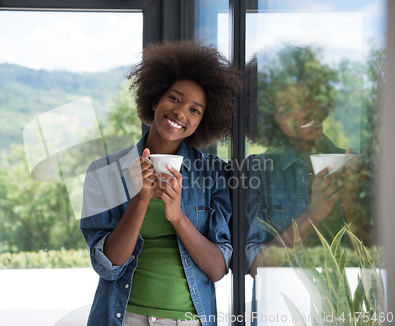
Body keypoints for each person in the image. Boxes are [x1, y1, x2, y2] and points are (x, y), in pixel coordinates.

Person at [80, 40, 241, 326]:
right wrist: (140, 199)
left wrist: (177, 216)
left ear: (203, 121)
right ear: (154, 99)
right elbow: (108, 266)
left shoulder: (214, 173)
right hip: (124, 318)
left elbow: (217, 269)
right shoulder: (103, 172)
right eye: (175, 98)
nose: (181, 112)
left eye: (195, 110)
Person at [244, 46, 371, 274]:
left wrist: (351, 201)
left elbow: (376, 261)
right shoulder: (258, 170)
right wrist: (314, 213)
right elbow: (255, 265)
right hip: (282, 302)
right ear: (269, 121)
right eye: (286, 109)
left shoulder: (359, 166)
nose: (303, 112)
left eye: (307, 99)